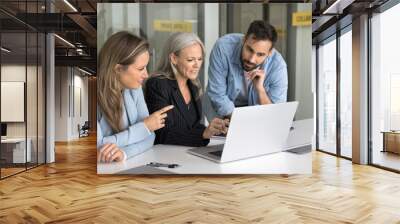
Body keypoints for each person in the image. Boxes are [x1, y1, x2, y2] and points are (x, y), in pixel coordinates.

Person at [97, 31, 173, 163]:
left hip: (123, 165)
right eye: (141, 69)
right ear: (118, 69)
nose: (146, 74)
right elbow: (98, 146)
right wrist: (143, 128)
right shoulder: (93, 96)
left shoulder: (135, 89)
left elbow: (150, 138)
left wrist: (124, 153)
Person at [145, 32, 228, 147]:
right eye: (190, 60)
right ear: (174, 58)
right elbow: (163, 134)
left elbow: (193, 127)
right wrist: (203, 133)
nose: (197, 65)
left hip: (186, 153)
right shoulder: (158, 84)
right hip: (165, 156)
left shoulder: (193, 86)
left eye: (199, 59)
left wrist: (213, 129)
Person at [207, 20, 288, 118]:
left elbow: (274, 114)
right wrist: (242, 122)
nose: (252, 59)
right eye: (249, 50)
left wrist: (260, 90)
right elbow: (218, 95)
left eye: (260, 54)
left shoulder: (278, 66)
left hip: (255, 117)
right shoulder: (223, 47)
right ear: (244, 39)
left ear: (270, 53)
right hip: (220, 111)